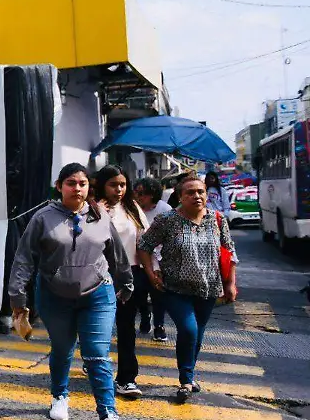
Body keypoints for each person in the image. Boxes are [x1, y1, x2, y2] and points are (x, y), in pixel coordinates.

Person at [8, 163, 136, 420]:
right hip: (55, 296)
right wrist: (17, 297)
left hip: (98, 293)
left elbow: (116, 254)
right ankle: (59, 395)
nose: (76, 188)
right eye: (70, 183)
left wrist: (126, 282)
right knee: (63, 348)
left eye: (82, 183)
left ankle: (108, 416)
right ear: (59, 186)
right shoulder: (43, 218)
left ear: (89, 187)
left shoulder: (101, 216)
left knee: (96, 353)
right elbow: (24, 258)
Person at [137, 174, 238, 403]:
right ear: (180, 196)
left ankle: (189, 376)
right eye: (190, 192)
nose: (197, 196)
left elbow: (229, 251)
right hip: (175, 288)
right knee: (189, 330)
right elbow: (144, 246)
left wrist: (230, 283)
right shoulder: (167, 220)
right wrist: (151, 273)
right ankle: (185, 380)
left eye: (200, 191)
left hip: (208, 287)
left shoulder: (217, 219)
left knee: (198, 335)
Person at [90, 165, 149, 401]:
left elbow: (145, 239)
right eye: (114, 184)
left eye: (123, 184)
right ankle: (94, 362)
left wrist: (151, 271)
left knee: (126, 328)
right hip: (97, 274)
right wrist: (96, 214)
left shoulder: (132, 208)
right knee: (96, 327)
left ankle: (126, 378)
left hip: (129, 274)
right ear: (103, 185)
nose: (119, 189)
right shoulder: (91, 208)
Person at [134, 176, 172, 341]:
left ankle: (159, 325)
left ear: (153, 194)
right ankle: (144, 315)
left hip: (159, 259)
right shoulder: (132, 208)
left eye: (142, 194)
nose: (139, 197)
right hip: (137, 258)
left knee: (158, 292)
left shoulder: (165, 210)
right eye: (136, 193)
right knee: (140, 292)